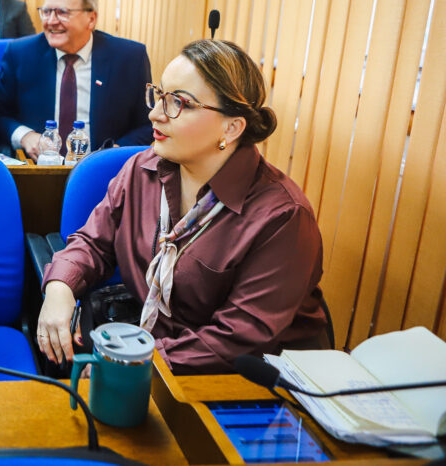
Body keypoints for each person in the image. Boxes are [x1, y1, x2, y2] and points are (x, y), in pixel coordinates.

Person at [37, 39, 328, 374]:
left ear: (231, 128)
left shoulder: (282, 217)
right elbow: (92, 244)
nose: (155, 114)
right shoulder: (141, 170)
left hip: (247, 384)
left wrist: (135, 361)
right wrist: (60, 288)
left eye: (179, 103)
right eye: (159, 96)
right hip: (157, 354)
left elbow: (237, 339)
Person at [0, 0, 152, 158]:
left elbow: (146, 124)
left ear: (91, 19)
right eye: (46, 12)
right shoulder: (20, 54)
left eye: (62, 12)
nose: (51, 21)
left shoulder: (129, 57)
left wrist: (115, 152)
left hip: (107, 174)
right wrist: (24, 135)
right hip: (39, 172)